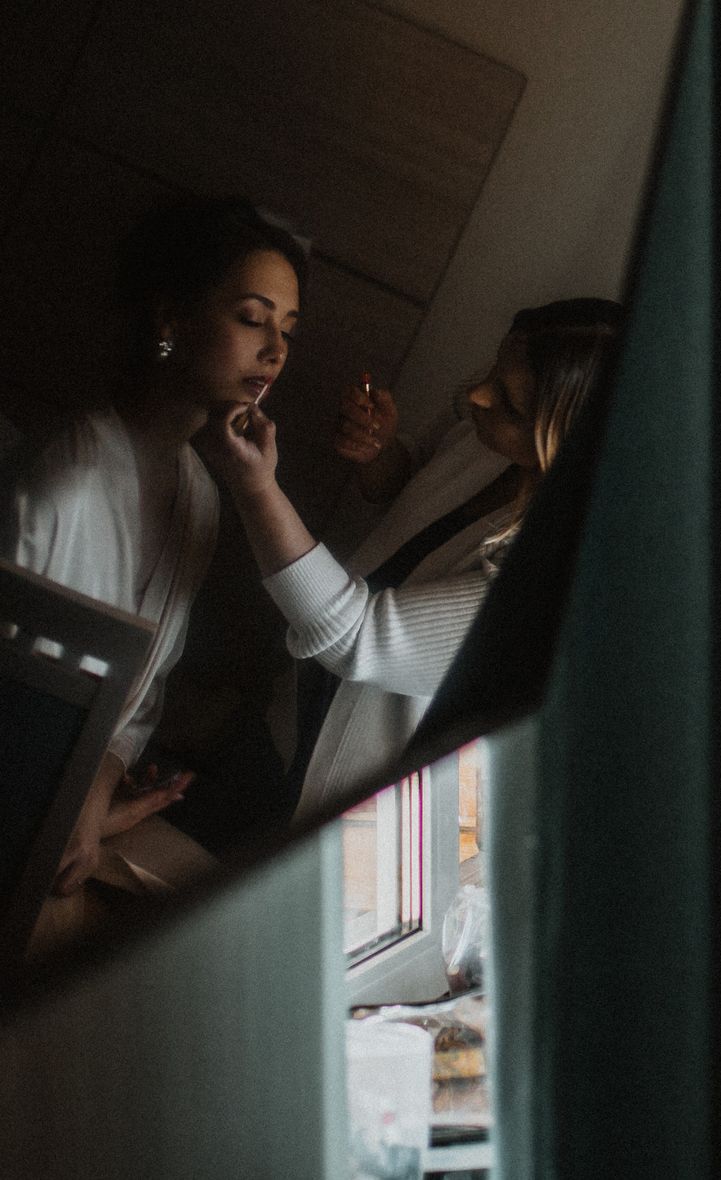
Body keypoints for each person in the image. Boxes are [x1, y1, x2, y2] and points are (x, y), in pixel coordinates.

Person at [0, 196, 309, 900]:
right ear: (169, 319)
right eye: (252, 319)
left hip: (64, 805)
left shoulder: (198, 491)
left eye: (287, 329)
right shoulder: (64, 488)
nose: (276, 350)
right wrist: (78, 812)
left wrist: (98, 790)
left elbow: (133, 707)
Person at [230, 298, 623, 813]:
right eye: (492, 371)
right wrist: (382, 454)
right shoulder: (484, 438)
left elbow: (357, 638)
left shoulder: (553, 579)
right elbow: (409, 502)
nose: (476, 395)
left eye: (507, 401)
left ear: (567, 443)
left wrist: (255, 488)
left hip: (352, 804)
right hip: (288, 717)